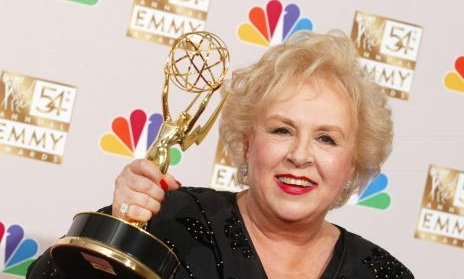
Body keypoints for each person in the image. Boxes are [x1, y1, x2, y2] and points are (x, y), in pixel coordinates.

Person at [27, 30, 414, 279]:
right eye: (282, 130)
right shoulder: (170, 220)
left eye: (327, 139)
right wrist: (115, 228)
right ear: (247, 143)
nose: (300, 155)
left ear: (354, 163)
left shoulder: (383, 274)